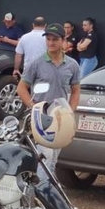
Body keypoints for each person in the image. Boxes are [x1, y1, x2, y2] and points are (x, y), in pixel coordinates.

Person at [17, 23, 80, 180]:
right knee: (46, 155)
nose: (51, 43)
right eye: (48, 39)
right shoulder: (37, 63)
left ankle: (45, 188)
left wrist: (70, 111)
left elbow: (76, 90)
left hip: (60, 117)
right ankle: (44, 189)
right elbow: (21, 88)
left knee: (53, 158)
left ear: (63, 40)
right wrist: (33, 108)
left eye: (55, 39)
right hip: (41, 117)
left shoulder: (72, 65)